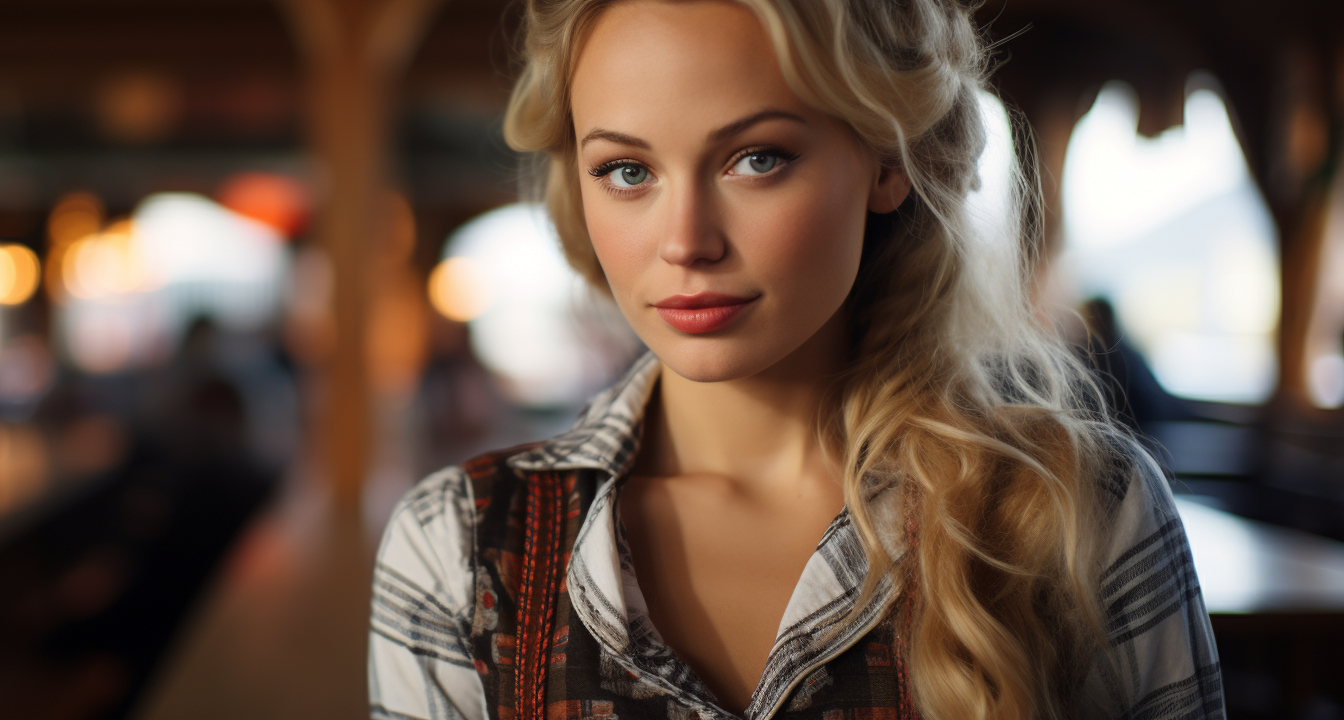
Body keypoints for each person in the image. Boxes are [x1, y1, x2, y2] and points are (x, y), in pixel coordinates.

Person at [369, 0, 1222, 717]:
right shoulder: (459, 551)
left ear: (887, 162)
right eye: (628, 170)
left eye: (757, 158)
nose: (686, 242)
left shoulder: (1079, 515)